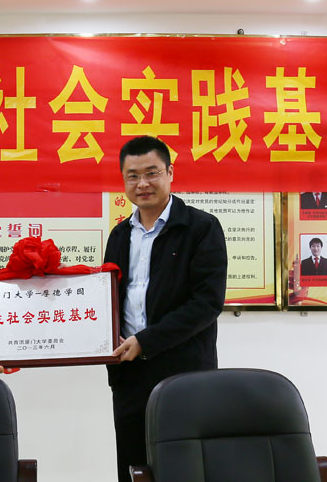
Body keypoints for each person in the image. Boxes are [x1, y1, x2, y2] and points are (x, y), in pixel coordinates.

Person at [104, 136, 227, 482]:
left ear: (170, 173)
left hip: (183, 372)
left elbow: (206, 303)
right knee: (133, 468)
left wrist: (146, 341)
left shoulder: (201, 228)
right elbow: (108, 299)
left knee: (185, 467)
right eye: (132, 176)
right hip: (128, 375)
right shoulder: (119, 235)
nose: (142, 183)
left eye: (151, 173)